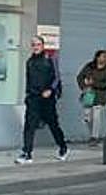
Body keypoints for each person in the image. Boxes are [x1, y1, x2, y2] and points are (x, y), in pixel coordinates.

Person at [16, 36, 69, 164]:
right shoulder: (29, 61)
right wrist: (28, 95)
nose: (36, 47)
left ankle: (63, 147)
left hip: (47, 98)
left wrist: (50, 90)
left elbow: (57, 77)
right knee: (29, 125)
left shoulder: (50, 59)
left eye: (38, 44)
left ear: (43, 45)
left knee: (53, 124)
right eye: (33, 44)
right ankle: (27, 153)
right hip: (33, 98)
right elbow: (28, 80)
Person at [76, 50, 106, 146]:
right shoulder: (89, 66)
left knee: (97, 117)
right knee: (87, 117)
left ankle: (94, 137)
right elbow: (79, 77)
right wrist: (83, 86)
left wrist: (94, 83)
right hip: (89, 94)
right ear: (97, 57)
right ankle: (92, 133)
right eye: (103, 56)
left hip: (100, 96)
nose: (104, 59)